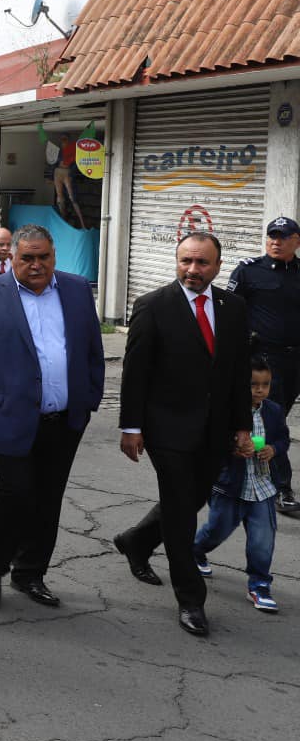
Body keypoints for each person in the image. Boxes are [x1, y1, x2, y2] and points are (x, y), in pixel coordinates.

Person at [0, 225, 105, 611]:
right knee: (16, 491)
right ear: (11, 258)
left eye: (43, 257)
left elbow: (91, 350)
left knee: (49, 497)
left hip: (64, 419)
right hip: (7, 415)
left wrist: (89, 399)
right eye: (27, 258)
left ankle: (30, 572)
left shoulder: (77, 289)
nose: (36, 265)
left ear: (54, 256)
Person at [113, 233, 252, 638]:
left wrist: (242, 426)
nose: (193, 270)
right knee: (179, 509)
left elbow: (238, 373)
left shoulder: (234, 307)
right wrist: (131, 428)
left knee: (192, 498)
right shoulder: (153, 306)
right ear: (177, 261)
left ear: (217, 265)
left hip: (216, 429)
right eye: (186, 261)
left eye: (202, 263)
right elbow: (135, 373)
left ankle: (136, 541)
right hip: (166, 428)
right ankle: (191, 599)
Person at [193, 355, 288, 613]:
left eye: (265, 384)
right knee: (217, 529)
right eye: (253, 384)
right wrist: (232, 449)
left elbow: (283, 439)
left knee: (262, 539)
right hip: (230, 487)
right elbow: (210, 442)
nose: (260, 390)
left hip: (263, 487)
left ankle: (259, 585)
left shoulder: (274, 411)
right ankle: (196, 551)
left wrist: (273, 449)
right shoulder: (228, 412)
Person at [227, 216, 300, 514]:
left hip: (295, 361)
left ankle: (253, 465)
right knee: (272, 420)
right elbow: (229, 313)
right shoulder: (248, 271)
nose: (275, 241)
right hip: (263, 362)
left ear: (296, 241)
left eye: (283, 237)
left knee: (271, 419)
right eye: (272, 236)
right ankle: (282, 487)